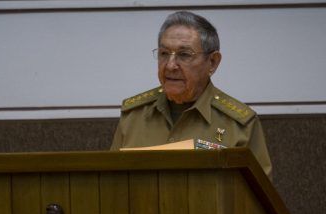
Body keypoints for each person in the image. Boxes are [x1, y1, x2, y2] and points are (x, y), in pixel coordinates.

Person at [110, 11, 272, 178]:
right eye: (164, 53)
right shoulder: (133, 117)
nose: (170, 65)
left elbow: (257, 199)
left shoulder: (239, 126)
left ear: (213, 62)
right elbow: (112, 185)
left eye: (184, 55)